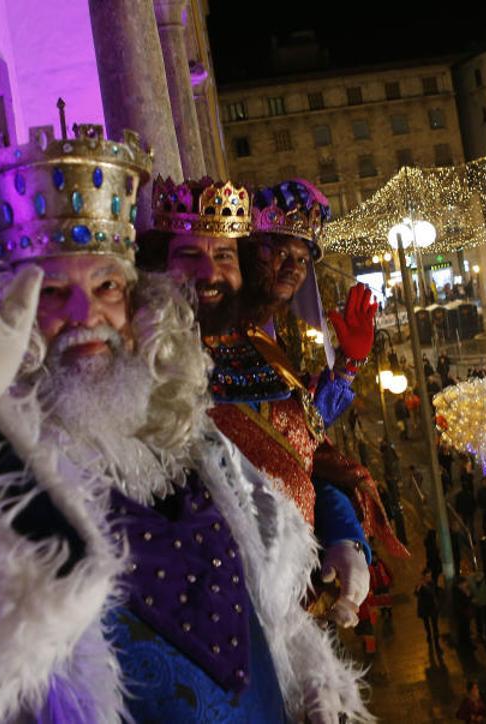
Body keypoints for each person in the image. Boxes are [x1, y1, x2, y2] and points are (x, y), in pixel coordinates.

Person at [0, 127, 368, 723]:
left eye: (106, 286)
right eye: (50, 292)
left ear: (138, 302)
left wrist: (311, 665)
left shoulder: (190, 432)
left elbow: (290, 508)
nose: (85, 314)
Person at [147, 176, 376, 627]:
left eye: (223, 255)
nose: (209, 273)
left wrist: (345, 539)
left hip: (293, 605)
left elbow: (301, 452)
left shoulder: (260, 346)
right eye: (188, 255)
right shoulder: (148, 370)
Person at [415, 570, 444, 656]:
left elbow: (433, 593)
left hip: (432, 607)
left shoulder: (431, 583)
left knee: (435, 625)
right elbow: (416, 594)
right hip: (424, 608)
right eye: (427, 576)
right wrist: (419, 587)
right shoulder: (420, 584)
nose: (429, 577)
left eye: (430, 576)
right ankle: (429, 635)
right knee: (426, 623)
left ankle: (436, 640)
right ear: (424, 576)